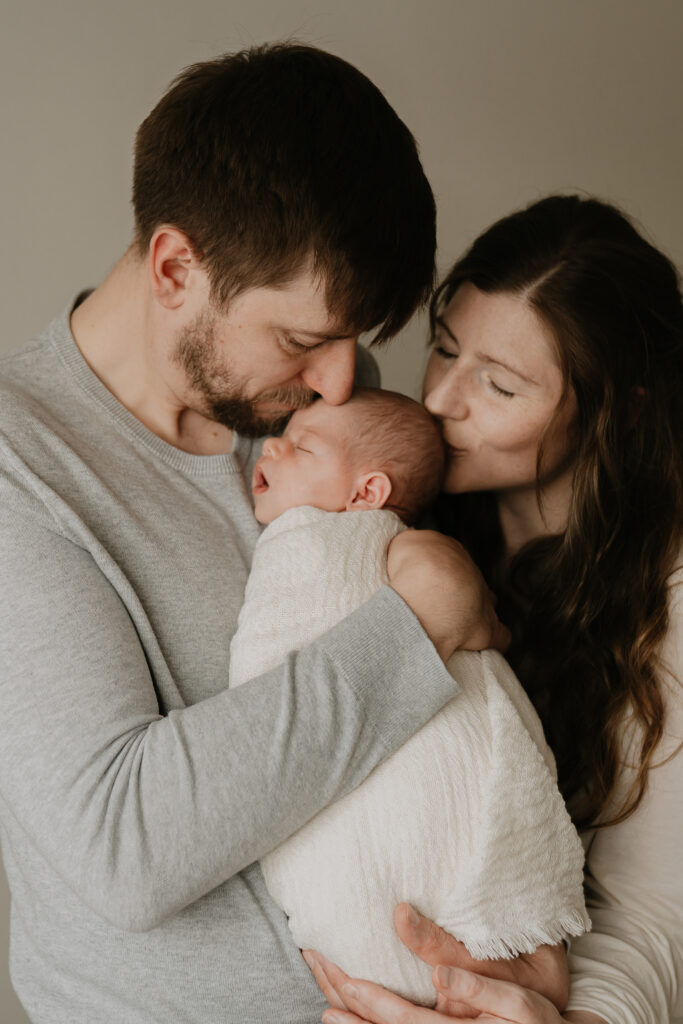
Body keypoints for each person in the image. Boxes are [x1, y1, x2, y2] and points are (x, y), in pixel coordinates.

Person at [0, 43, 513, 1024]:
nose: (336, 381)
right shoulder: (22, 462)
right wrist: (411, 625)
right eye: (300, 338)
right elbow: (125, 845)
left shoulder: (325, 418)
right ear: (175, 267)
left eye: (351, 340)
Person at [304, 195, 683, 1024]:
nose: (439, 399)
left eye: (499, 385)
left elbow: (656, 914)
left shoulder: (668, 601)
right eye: (443, 349)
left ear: (619, 412)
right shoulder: (390, 509)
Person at [230, 386, 589, 1008]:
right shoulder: (398, 547)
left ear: (366, 495)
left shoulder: (340, 541)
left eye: (302, 444)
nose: (273, 444)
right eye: (445, 349)